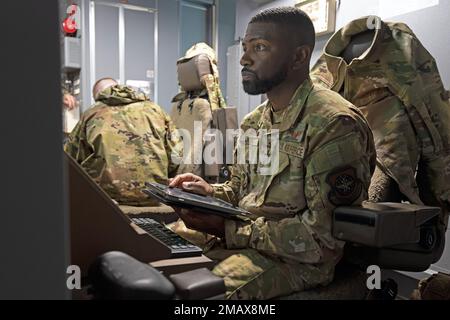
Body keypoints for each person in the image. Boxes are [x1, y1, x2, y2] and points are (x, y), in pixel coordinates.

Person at [169, 7, 376, 299]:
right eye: (245, 48)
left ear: (298, 57)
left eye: (260, 48)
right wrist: (208, 193)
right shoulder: (255, 120)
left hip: (296, 260)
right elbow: (240, 191)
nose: (244, 59)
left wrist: (230, 230)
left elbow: (321, 240)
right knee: (156, 246)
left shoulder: (334, 125)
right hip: (248, 237)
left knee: (202, 295)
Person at [64, 77, 183, 206]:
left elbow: (70, 159)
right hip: (153, 196)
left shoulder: (91, 113)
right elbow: (176, 155)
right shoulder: (156, 110)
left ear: (98, 95)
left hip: (107, 200)